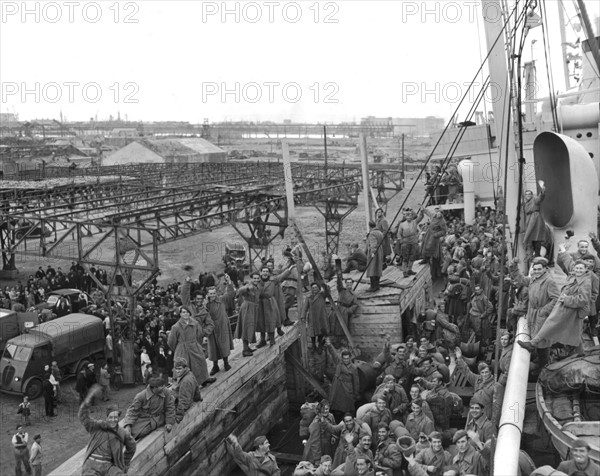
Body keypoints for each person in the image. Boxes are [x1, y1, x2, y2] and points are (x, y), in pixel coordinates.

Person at [519, 260, 592, 357]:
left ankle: (533, 343)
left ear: (586, 269)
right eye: (577, 268)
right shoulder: (574, 277)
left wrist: (566, 299)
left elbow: (583, 300)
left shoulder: (586, 282)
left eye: (581, 268)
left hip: (574, 309)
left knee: (551, 324)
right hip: (568, 307)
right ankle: (581, 352)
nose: (578, 270)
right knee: (574, 331)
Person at [80, 385, 136, 476]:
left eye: (115, 417)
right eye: (111, 417)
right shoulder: (97, 427)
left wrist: (125, 463)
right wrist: (86, 403)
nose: (113, 419)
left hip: (108, 466)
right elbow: (84, 418)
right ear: (107, 418)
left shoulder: (122, 433)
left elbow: (132, 446)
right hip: (92, 464)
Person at [167, 305, 216, 387]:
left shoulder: (195, 323)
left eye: (187, 312)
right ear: (180, 314)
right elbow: (171, 342)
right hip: (183, 349)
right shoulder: (176, 327)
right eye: (183, 312)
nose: (185, 314)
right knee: (185, 367)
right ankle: (187, 387)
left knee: (200, 361)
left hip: (194, 345)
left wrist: (196, 344)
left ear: (190, 313)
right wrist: (179, 349)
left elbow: (199, 335)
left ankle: (204, 379)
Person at [325, 340, 360, 418]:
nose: (346, 360)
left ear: (350, 358)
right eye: (344, 358)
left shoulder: (353, 368)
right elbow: (334, 354)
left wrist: (355, 394)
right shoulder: (339, 362)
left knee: (348, 408)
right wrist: (329, 345)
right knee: (336, 407)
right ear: (342, 358)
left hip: (348, 389)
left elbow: (356, 382)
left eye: (347, 358)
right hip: (338, 388)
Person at [206, 286, 234, 375]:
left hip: (222, 325)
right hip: (212, 326)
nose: (212, 295)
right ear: (208, 294)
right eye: (211, 293)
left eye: (214, 293)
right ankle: (215, 365)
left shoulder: (222, 300)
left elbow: (230, 293)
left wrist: (229, 283)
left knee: (224, 343)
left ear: (217, 293)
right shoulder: (206, 304)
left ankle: (226, 362)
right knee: (213, 347)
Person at [302, 400, 336, 465]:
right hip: (318, 447)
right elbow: (315, 441)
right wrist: (317, 458)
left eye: (327, 409)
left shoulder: (330, 416)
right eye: (323, 409)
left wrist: (333, 436)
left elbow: (333, 426)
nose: (325, 411)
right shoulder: (316, 422)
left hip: (327, 446)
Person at [236, 272, 261, 356]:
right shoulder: (248, 286)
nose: (256, 280)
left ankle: (247, 347)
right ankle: (245, 350)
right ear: (251, 279)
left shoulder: (257, 287)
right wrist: (247, 288)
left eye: (258, 278)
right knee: (246, 327)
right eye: (254, 278)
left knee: (250, 327)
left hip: (253, 308)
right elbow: (239, 291)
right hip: (247, 307)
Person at [171, 357, 202, 423]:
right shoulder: (190, 374)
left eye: (179, 369)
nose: (177, 371)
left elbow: (183, 401)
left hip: (183, 405)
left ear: (185, 368)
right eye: (176, 369)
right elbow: (196, 387)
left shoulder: (185, 382)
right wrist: (198, 398)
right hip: (188, 399)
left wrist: (179, 416)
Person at [397, 207, 424, 277]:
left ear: (412, 217)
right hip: (405, 242)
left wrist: (421, 211)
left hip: (414, 242)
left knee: (412, 256)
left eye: (410, 216)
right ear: (405, 217)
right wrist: (401, 241)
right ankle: (404, 271)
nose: (409, 217)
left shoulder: (415, 222)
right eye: (407, 216)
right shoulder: (402, 224)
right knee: (405, 257)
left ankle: (409, 269)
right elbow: (399, 234)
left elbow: (421, 217)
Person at [303, 282, 329, 353]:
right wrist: (303, 316)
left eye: (316, 287)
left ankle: (320, 345)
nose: (314, 289)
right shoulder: (308, 297)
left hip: (321, 317)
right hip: (312, 317)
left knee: (320, 332)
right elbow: (305, 308)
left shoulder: (322, 295)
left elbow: (327, 291)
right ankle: (313, 346)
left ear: (318, 288)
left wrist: (324, 284)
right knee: (312, 333)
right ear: (311, 289)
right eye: (313, 287)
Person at [523, 181, 547, 256]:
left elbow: (540, 198)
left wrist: (542, 190)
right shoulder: (526, 203)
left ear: (532, 195)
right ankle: (531, 254)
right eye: (526, 194)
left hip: (535, 220)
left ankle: (537, 254)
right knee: (531, 238)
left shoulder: (534, 200)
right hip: (529, 220)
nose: (528, 195)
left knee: (536, 238)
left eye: (529, 194)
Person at [366, 220, 384, 292]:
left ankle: (373, 286)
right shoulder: (380, 232)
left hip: (374, 252)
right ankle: (377, 285)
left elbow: (373, 244)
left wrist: (372, 253)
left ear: (370, 226)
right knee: (378, 267)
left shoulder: (372, 233)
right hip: (380, 251)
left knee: (372, 268)